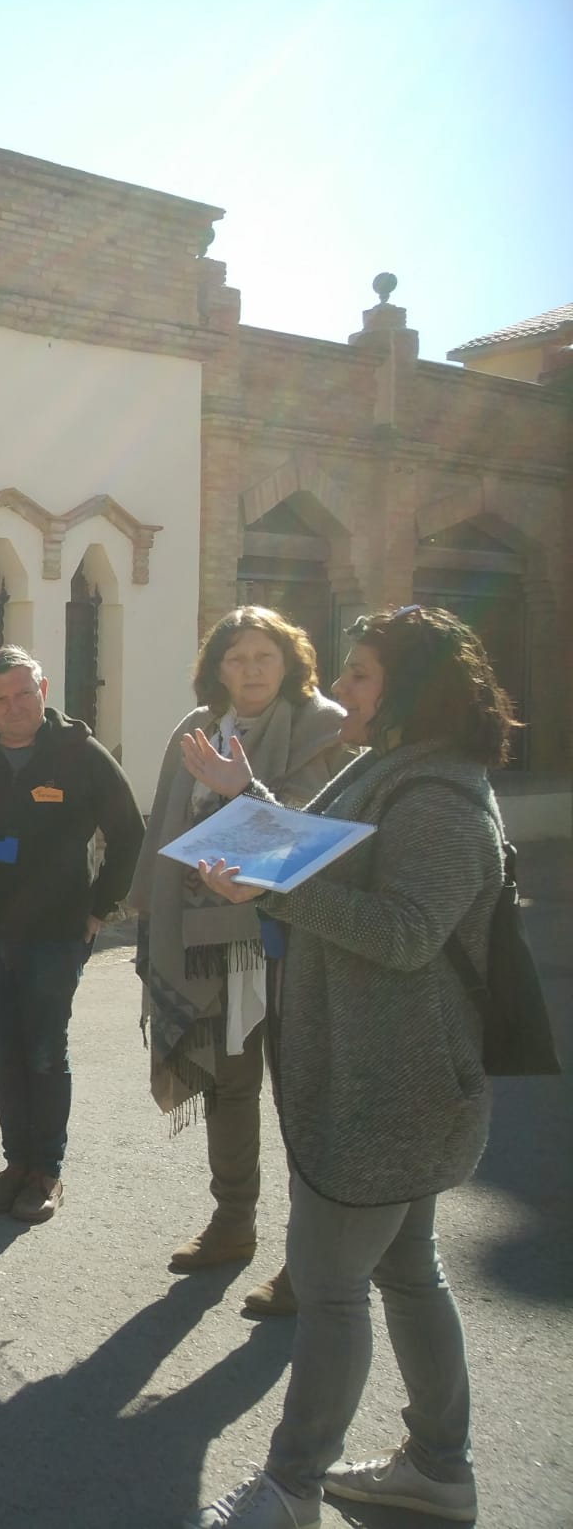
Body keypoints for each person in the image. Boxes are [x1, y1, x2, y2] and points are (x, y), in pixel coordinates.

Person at [185, 606, 511, 1529]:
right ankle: (440, 1472)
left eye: (362, 674)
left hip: (391, 1085)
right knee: (409, 1273)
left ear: (407, 689)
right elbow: (318, 850)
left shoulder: (440, 796)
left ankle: (291, 1489)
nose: (343, 687)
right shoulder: (387, 767)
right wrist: (249, 798)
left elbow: (409, 933)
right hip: (375, 1072)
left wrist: (274, 882)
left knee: (330, 1290)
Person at [130, 608, 350, 1316]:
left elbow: (323, 839)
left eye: (264, 655)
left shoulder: (328, 729)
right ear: (216, 667)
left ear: (291, 661)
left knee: (299, 1095)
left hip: (293, 941)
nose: (251, 669)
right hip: (204, 938)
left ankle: (306, 1259)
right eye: (236, 657)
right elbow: (164, 826)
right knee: (228, 1086)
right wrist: (150, 924)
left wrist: (239, 795)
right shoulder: (194, 730)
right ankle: (233, 1223)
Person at [0, 646, 143, 1224]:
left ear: (44, 690)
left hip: (55, 932)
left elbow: (128, 831)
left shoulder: (79, 753)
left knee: (46, 1053)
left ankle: (46, 1169)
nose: (14, 707)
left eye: (24, 693)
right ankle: (15, 1164)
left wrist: (101, 906)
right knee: (6, 1053)